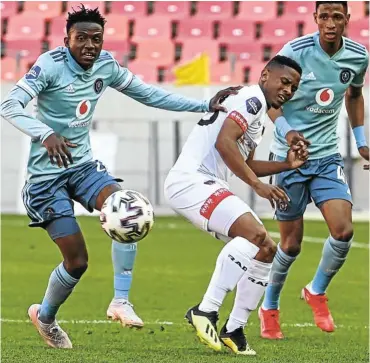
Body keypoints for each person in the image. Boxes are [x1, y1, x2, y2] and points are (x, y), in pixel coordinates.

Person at [0, 5, 243, 349]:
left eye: (95, 38)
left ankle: (120, 301)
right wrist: (44, 133)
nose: (89, 45)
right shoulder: (49, 65)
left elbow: (148, 94)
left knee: (127, 209)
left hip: (83, 167)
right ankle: (46, 317)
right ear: (66, 39)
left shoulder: (106, 66)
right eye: (80, 38)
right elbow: (9, 105)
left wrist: (203, 105)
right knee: (77, 261)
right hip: (46, 180)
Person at [164, 55, 308, 355]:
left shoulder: (255, 113)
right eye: (284, 82)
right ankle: (206, 310)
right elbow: (224, 144)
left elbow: (245, 162)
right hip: (191, 180)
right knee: (254, 236)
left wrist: (286, 164)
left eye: (293, 87)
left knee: (266, 248)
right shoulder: (251, 98)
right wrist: (257, 185)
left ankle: (235, 328)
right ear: (265, 74)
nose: (288, 91)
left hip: (208, 183)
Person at [259, 1, 369, 340]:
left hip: (326, 158)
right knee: (290, 246)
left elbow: (353, 95)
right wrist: (289, 134)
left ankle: (316, 291)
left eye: (338, 16)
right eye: (325, 16)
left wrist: (361, 141)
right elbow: (270, 100)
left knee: (343, 230)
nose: (331, 23)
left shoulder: (358, 56)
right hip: (289, 160)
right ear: (315, 19)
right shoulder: (294, 51)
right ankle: (270, 306)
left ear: (347, 19)